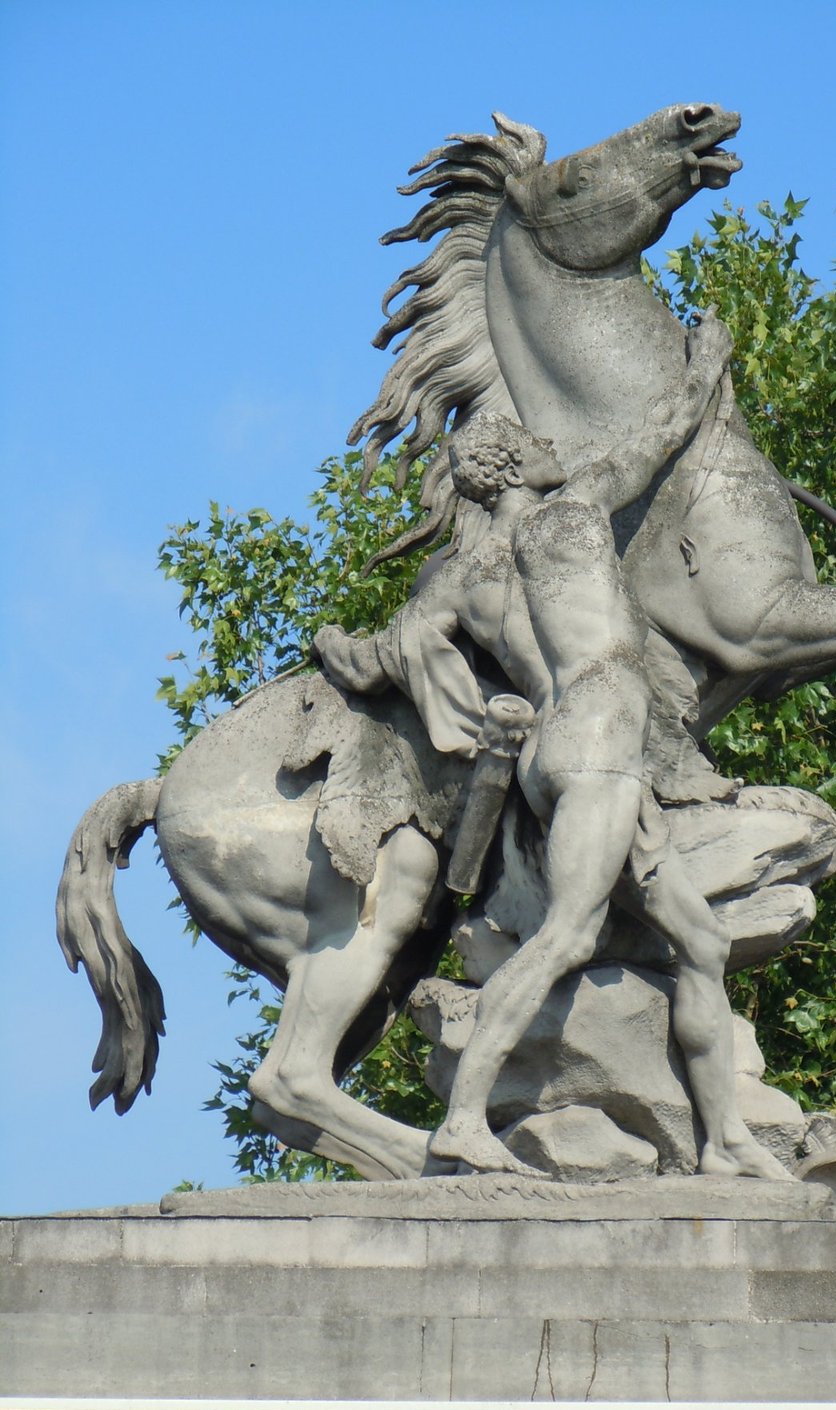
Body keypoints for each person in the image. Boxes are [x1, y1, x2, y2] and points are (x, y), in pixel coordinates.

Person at [316, 312, 788, 1180]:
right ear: (513, 468)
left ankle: (725, 1141)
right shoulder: (568, 513)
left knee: (703, 943)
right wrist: (706, 363)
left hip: (559, 749)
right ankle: (463, 1118)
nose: (550, 450)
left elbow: (385, 657)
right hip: (604, 731)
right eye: (533, 446)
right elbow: (660, 437)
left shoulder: (460, 577)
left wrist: (334, 644)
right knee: (569, 936)